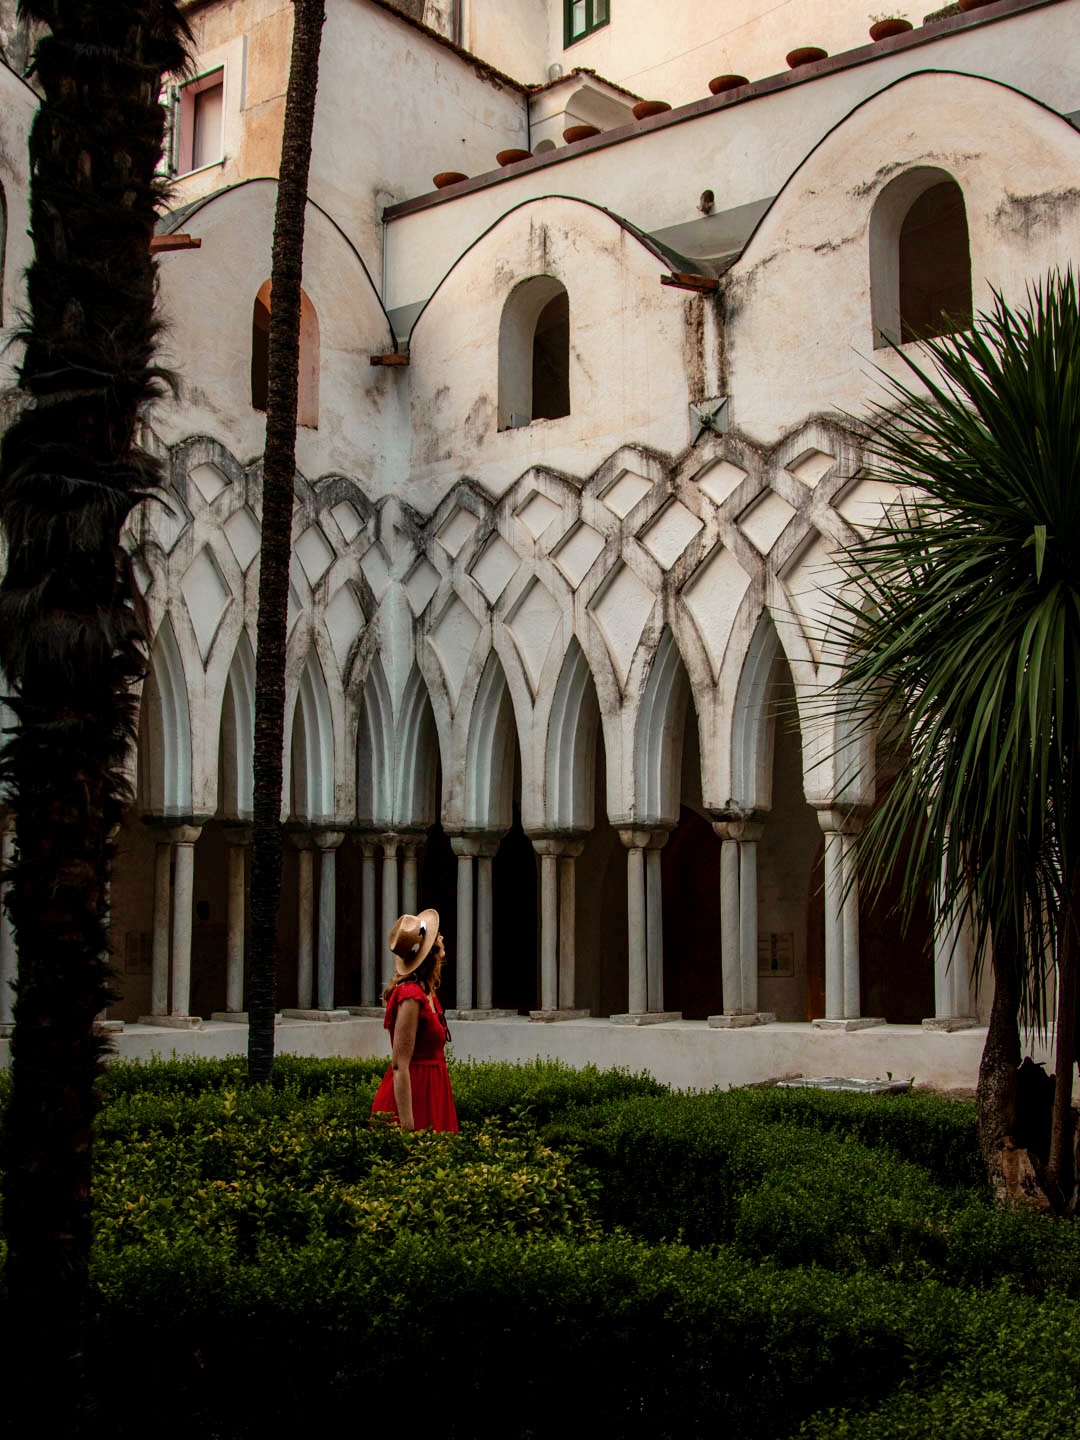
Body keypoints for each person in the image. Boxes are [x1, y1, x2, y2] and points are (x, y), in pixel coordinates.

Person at [370, 909, 459, 1132]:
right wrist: (408, 1125)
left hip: (433, 1090)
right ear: (431, 952)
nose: (441, 937)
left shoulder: (426, 991)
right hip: (415, 1098)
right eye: (435, 936)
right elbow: (400, 1064)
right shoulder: (411, 996)